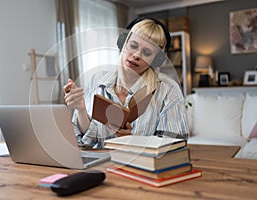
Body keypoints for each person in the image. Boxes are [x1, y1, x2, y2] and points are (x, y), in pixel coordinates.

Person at [63, 17, 189, 149]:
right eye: (133, 46)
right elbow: (84, 141)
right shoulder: (96, 80)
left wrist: (133, 141)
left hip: (143, 167)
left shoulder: (168, 89)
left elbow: (175, 144)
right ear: (123, 43)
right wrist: (81, 110)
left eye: (146, 52)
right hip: (100, 165)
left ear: (156, 60)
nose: (136, 55)